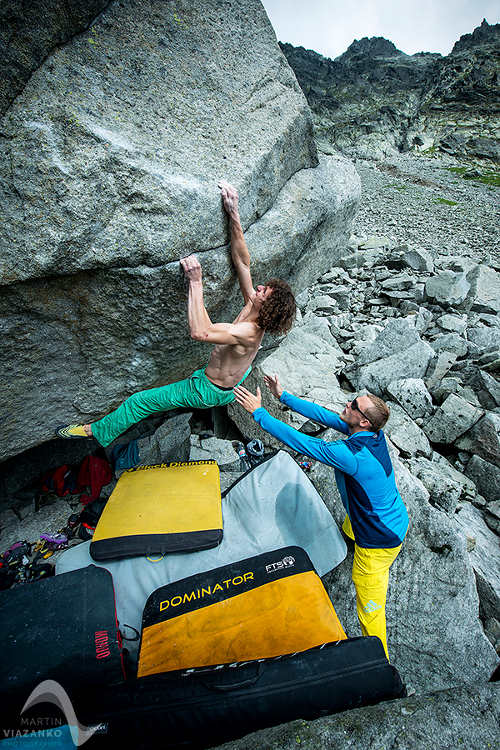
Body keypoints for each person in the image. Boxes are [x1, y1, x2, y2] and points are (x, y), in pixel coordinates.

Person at [56, 182, 296, 446]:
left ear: (268, 307)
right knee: (230, 358)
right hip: (228, 381)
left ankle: (95, 431)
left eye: (265, 292)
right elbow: (242, 261)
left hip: (208, 390)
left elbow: (200, 332)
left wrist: (195, 282)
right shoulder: (253, 305)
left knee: (140, 401)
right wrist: (233, 212)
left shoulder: (250, 332)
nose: (260, 288)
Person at [233, 376, 409, 660]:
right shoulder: (372, 435)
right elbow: (325, 416)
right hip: (393, 515)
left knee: (370, 610)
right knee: (351, 524)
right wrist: (283, 396)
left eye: (353, 405)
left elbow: (303, 444)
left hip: (379, 541)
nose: (347, 404)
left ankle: (380, 663)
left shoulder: (350, 455)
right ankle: (351, 534)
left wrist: (259, 413)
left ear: (363, 421)